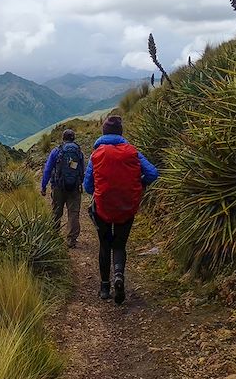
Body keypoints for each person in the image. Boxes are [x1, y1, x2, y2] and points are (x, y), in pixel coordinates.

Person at [84, 116, 158, 304]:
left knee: (104, 245)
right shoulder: (132, 151)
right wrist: (137, 185)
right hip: (126, 206)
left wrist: (100, 191)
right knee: (119, 245)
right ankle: (119, 275)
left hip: (102, 207)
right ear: (120, 132)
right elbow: (152, 173)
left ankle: (104, 287)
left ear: (103, 132)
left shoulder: (97, 154)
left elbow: (87, 186)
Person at [41, 128, 85, 248]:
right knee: (73, 213)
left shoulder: (56, 151)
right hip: (74, 188)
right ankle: (71, 240)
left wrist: (44, 186)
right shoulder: (79, 152)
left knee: (56, 212)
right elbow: (82, 170)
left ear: (63, 138)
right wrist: (82, 184)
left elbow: (47, 169)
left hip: (58, 187)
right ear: (73, 138)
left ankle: (54, 237)